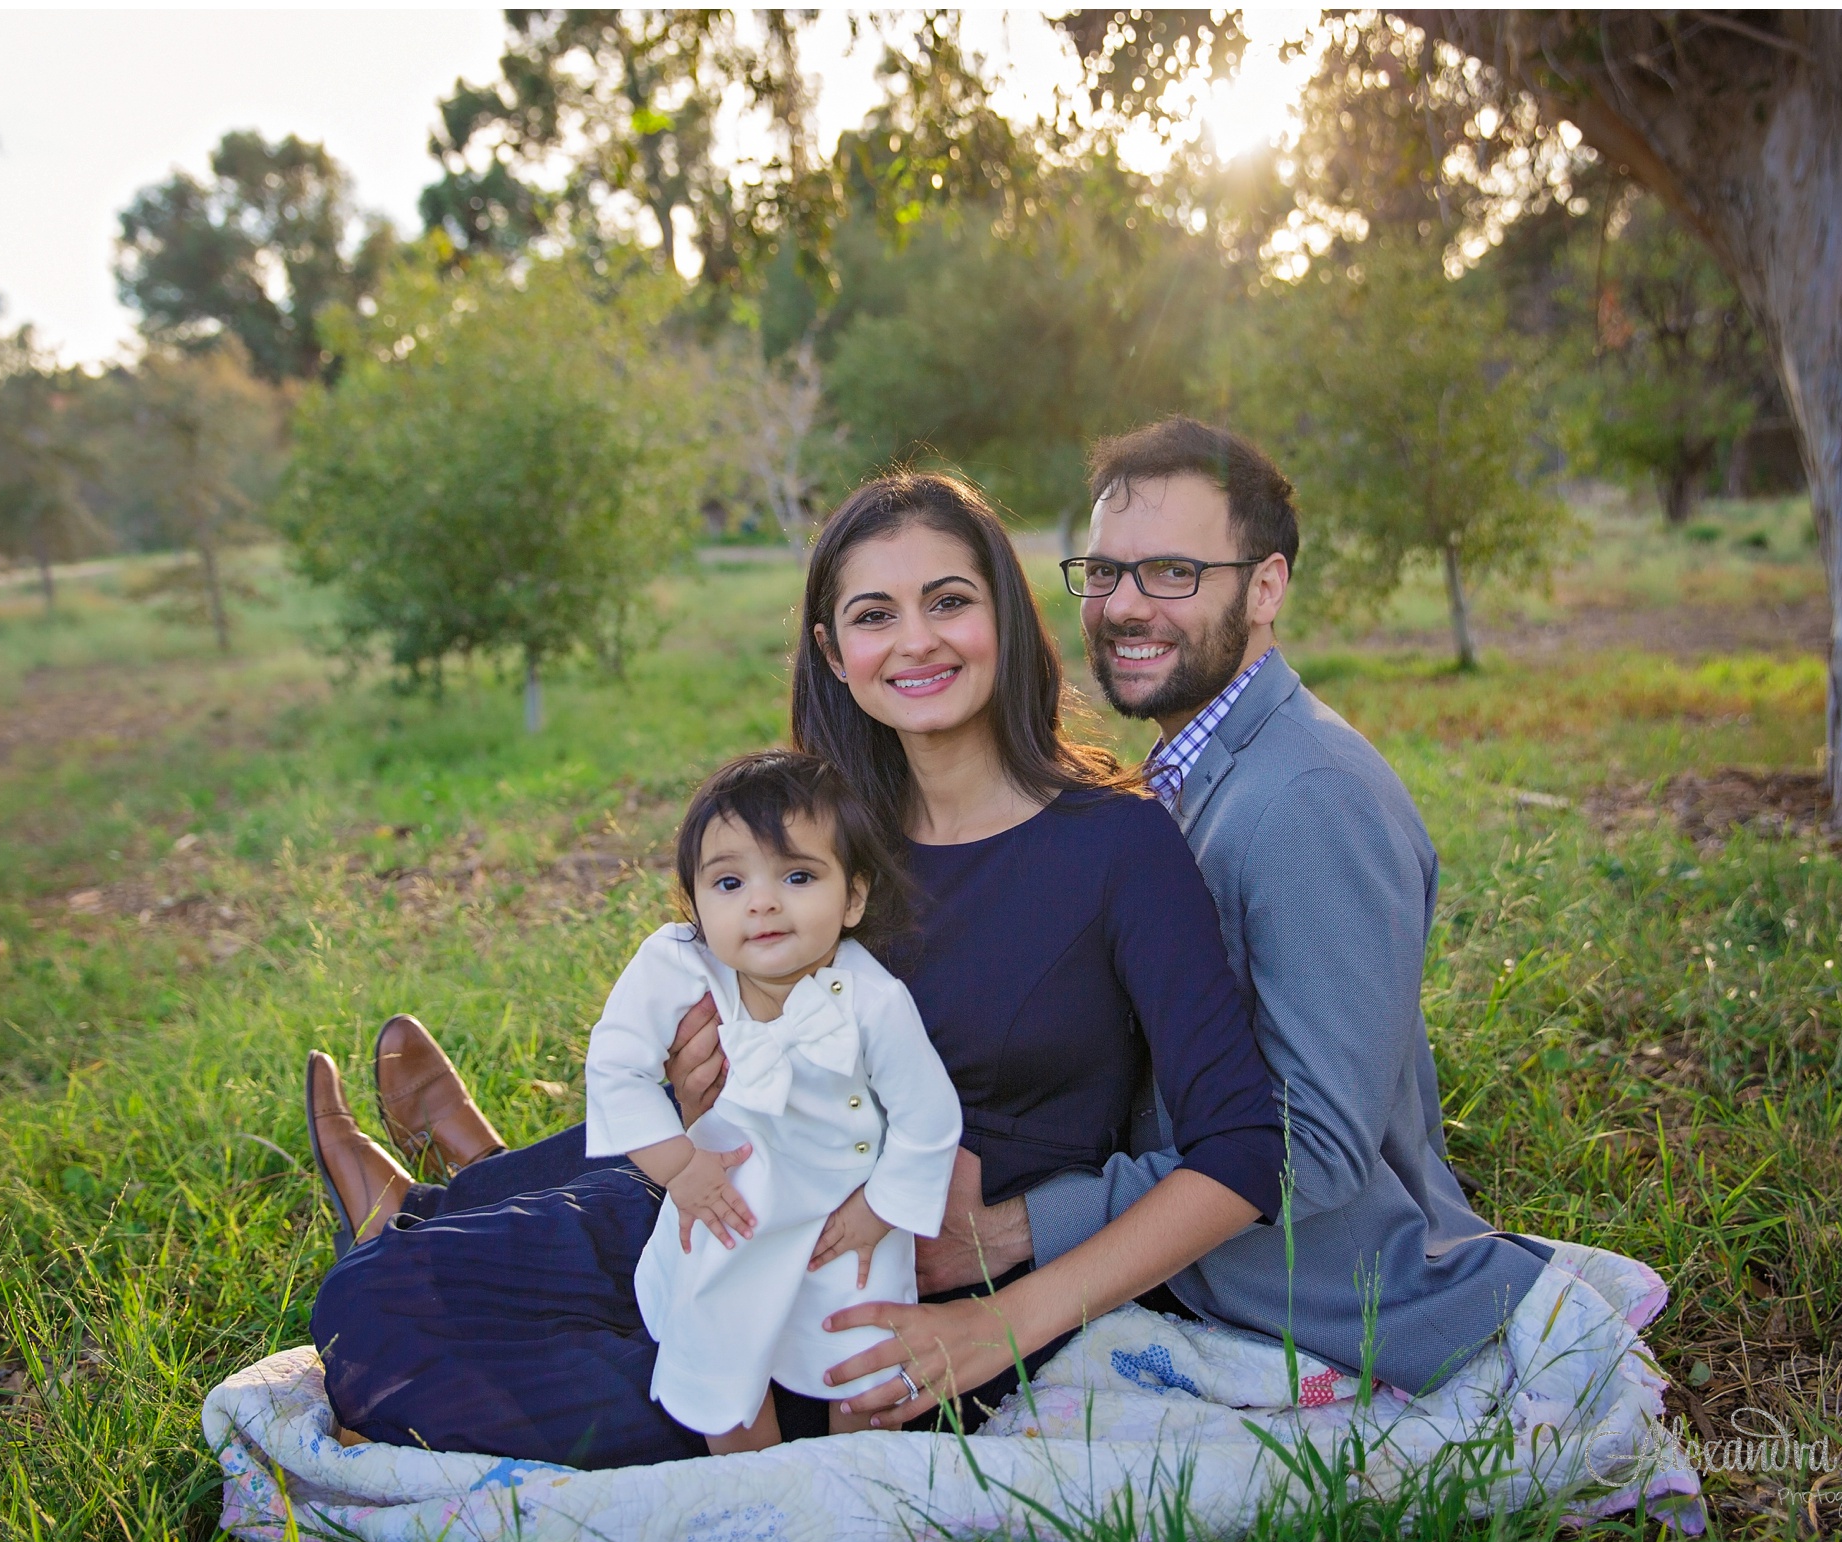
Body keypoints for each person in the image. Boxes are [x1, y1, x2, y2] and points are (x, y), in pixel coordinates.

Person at [301, 471, 1285, 1467]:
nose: (916, 640)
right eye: (874, 614)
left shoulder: (1117, 844)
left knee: (377, 1332)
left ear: (1005, 614)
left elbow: (1243, 1150)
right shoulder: (833, 829)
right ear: (833, 650)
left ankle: (449, 1216)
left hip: (898, 1297)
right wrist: (706, 1058)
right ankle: (446, 1202)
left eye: (949, 600)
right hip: (733, 1200)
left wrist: (1003, 1325)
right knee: (372, 1300)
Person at [916, 416, 1553, 1397]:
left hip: (1297, 1296)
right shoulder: (1181, 773)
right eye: (1105, 571)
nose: (1126, 606)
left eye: (1174, 572)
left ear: (1265, 587)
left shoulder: (1310, 798)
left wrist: (1021, 1230)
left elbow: (1314, 1153)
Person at [580, 751, 961, 1454]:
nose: (762, 902)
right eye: (729, 881)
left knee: (862, 1352)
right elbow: (615, 1066)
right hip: (729, 1201)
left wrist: (881, 1209)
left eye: (797, 876)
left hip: (842, 1217)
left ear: (852, 898)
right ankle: (751, 1485)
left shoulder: (874, 1001)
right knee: (721, 1352)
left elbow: (928, 1118)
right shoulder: (680, 966)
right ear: (694, 902)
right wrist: (678, 1167)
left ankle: (857, 1471)